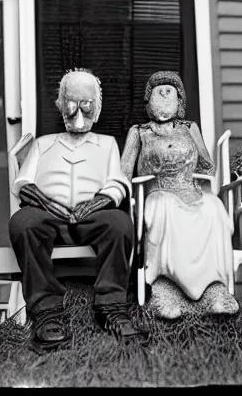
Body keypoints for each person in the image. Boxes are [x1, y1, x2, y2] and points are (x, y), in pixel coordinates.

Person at [9, 68, 147, 352]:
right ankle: (46, 311)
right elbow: (22, 181)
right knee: (24, 223)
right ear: (61, 104)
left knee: (119, 224)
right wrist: (45, 202)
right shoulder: (44, 144)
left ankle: (110, 306)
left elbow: (118, 182)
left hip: (93, 215)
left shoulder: (107, 143)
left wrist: (96, 203)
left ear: (97, 107)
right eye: (72, 104)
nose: (79, 113)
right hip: (47, 215)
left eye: (86, 105)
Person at [121, 71, 239, 320]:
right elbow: (123, 173)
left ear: (179, 100)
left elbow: (206, 165)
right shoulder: (139, 131)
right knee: (164, 209)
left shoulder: (189, 128)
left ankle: (214, 291)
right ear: (149, 99)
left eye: (170, 91)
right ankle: (165, 290)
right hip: (158, 192)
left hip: (190, 190)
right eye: (158, 91)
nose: (164, 95)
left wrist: (196, 177)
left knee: (213, 208)